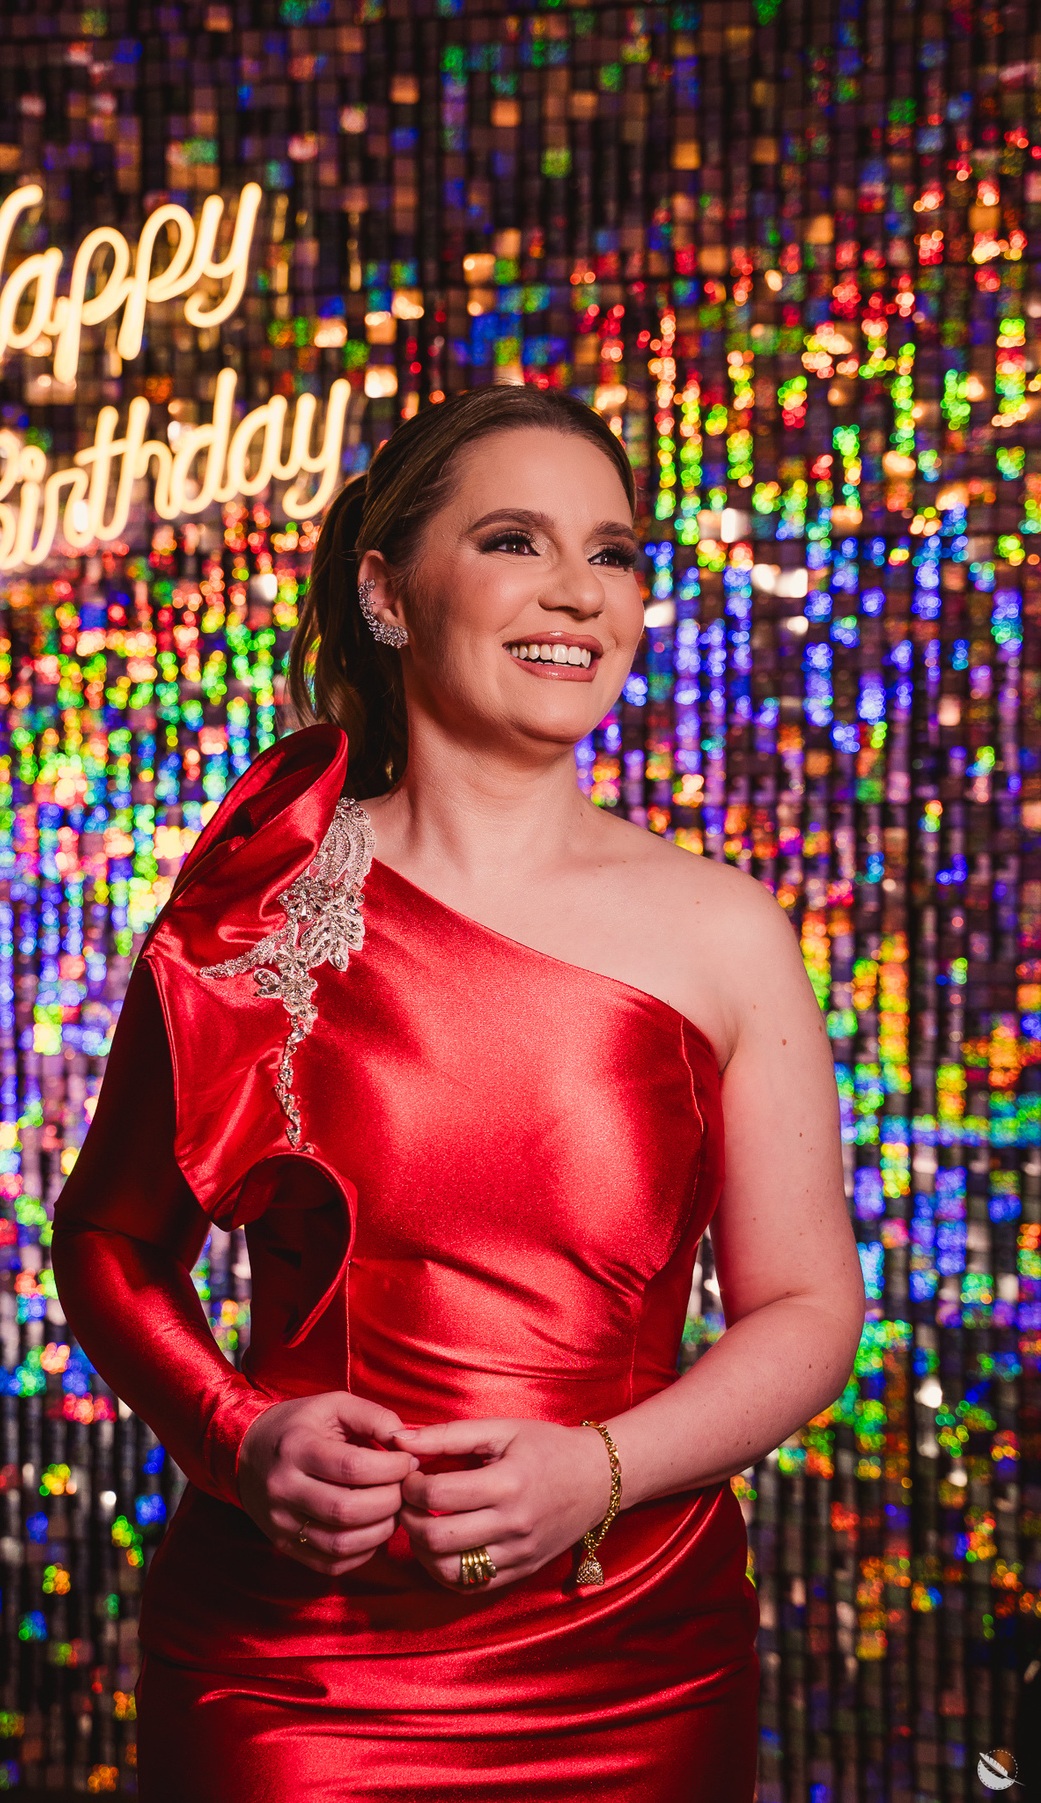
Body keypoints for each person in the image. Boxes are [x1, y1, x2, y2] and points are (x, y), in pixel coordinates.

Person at [52, 384, 866, 1801]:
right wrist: (238, 1438)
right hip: (294, 1665)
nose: (579, 593)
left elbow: (807, 1309)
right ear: (386, 592)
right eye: (513, 540)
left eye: (613, 554)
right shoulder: (253, 904)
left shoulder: (728, 930)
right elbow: (112, 1239)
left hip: (633, 1654)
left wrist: (599, 1470)